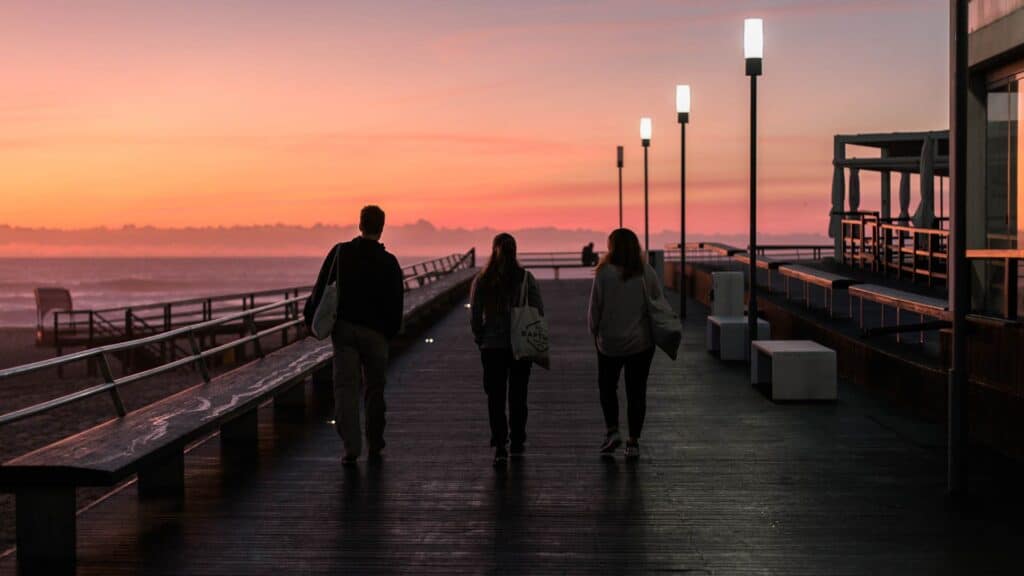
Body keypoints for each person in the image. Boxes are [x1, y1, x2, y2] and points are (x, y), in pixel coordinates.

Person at [304, 205, 404, 465]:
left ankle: (351, 447)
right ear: (381, 228)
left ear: (360, 225)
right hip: (377, 334)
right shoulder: (389, 263)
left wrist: (310, 318)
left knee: (346, 389)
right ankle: (375, 442)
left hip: (345, 330)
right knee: (375, 389)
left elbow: (321, 288)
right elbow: (396, 303)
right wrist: (389, 333)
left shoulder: (341, 253)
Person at [470, 233, 544, 465]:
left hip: (492, 346)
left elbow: (474, 316)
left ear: (494, 251)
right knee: (518, 394)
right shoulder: (525, 279)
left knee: (495, 395)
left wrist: (480, 337)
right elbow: (538, 310)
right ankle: (518, 438)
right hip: (520, 344)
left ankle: (500, 444)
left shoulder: (482, 280)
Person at [587, 228, 660, 460]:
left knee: (608, 387)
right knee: (636, 391)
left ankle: (612, 431)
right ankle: (633, 442)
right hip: (640, 344)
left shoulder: (604, 274)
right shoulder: (646, 272)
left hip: (610, 343)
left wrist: (594, 332)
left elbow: (594, 310)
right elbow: (658, 304)